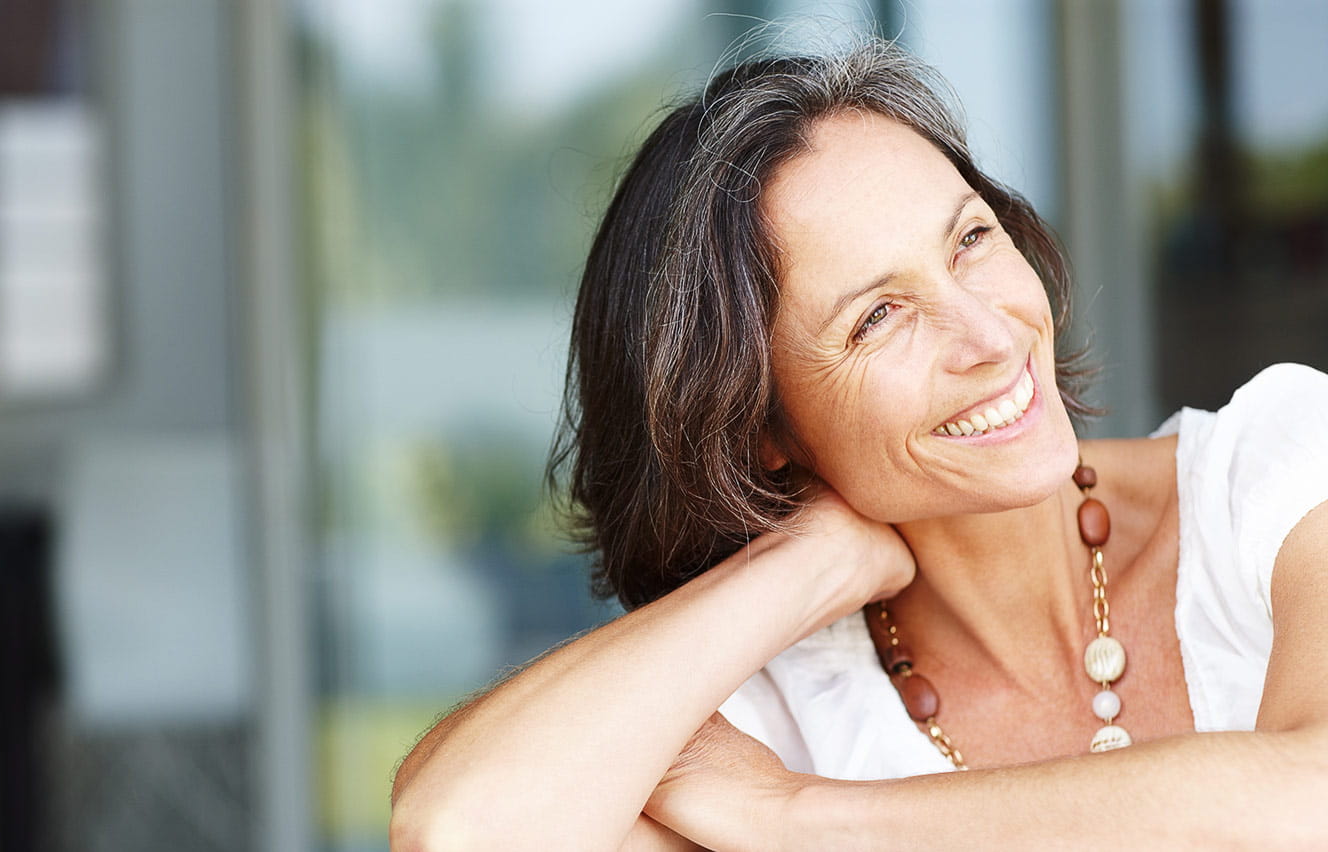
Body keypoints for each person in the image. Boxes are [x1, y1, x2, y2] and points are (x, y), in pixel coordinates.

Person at [389, 39, 1328, 850]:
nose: (991, 338)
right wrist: (803, 567)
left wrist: (799, 822)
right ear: (762, 428)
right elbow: (460, 832)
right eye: (879, 317)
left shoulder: (1278, 475)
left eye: (968, 240)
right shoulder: (786, 711)